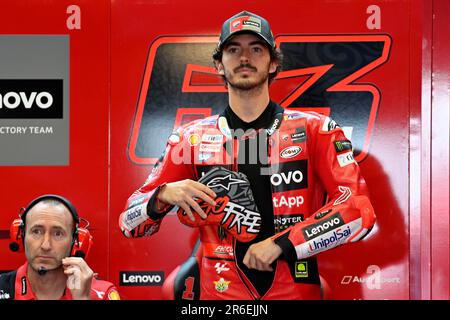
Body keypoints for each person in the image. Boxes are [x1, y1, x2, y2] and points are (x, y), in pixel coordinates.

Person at [119, 10, 376, 300]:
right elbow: (130, 224)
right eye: (233, 49)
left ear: (273, 63)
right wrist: (163, 195)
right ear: (219, 64)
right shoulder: (190, 138)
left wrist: (282, 244)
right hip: (219, 294)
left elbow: (358, 211)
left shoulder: (316, 129)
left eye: (256, 49)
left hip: (294, 290)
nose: (245, 58)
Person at [0, 194, 120, 300]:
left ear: (76, 242)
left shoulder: (103, 293)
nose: (45, 245)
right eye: (36, 231)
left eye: (58, 234)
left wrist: (82, 298)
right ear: (21, 236)